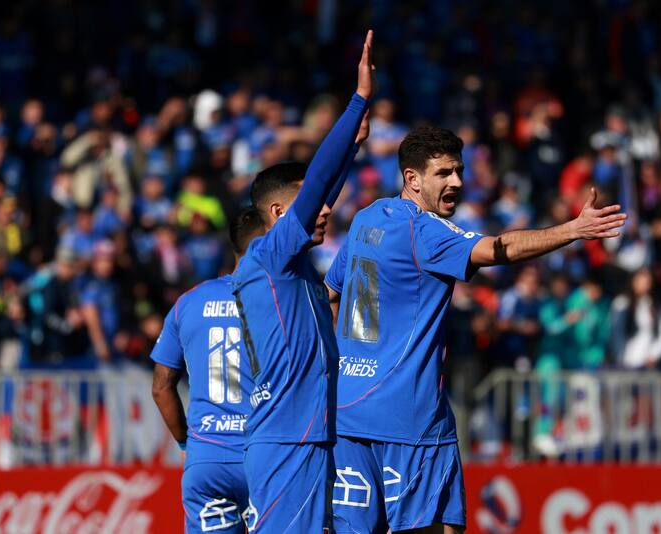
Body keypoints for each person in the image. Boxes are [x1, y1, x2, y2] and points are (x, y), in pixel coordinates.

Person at [325, 125, 625, 533]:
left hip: (348, 413)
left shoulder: (367, 218)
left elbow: (330, 294)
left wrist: (339, 365)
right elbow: (500, 249)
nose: (457, 182)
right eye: (444, 173)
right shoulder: (424, 231)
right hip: (409, 418)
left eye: (459, 171)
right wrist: (572, 230)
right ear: (412, 179)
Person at [230, 31, 373, 532]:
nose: (326, 211)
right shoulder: (269, 256)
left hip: (306, 436)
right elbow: (316, 185)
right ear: (277, 213)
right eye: (309, 206)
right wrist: (357, 102)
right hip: (288, 438)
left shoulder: (294, 266)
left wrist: (353, 147)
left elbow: (320, 190)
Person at [150, 206, 265, 534]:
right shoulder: (279, 301)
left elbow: (161, 387)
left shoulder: (189, 301)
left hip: (206, 458)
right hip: (263, 455)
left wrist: (187, 444)